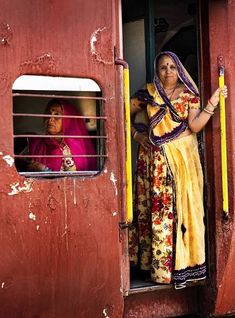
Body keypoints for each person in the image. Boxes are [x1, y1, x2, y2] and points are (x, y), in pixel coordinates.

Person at [128, 51, 228, 289]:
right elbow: (121, 111)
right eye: (163, 67)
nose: (168, 71)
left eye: (173, 66)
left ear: (180, 69)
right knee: (158, 212)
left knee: (180, 212)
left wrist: (212, 103)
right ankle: (157, 269)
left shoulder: (188, 95)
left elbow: (194, 126)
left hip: (181, 161)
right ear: (157, 70)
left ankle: (179, 269)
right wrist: (136, 135)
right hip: (154, 161)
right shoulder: (149, 93)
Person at [24, 98, 96, 172]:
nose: (50, 119)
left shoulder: (75, 148)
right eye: (48, 114)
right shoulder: (35, 143)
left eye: (56, 114)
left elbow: (77, 179)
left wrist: (45, 170)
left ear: (68, 119)